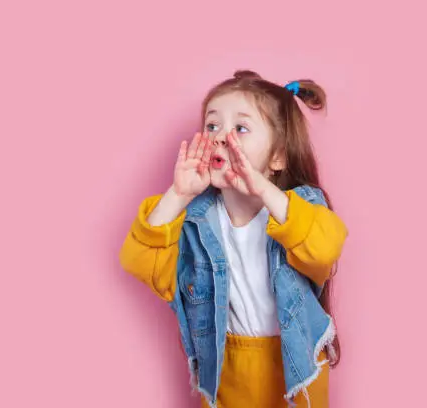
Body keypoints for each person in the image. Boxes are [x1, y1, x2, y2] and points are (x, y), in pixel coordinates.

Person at [119, 70, 348, 407]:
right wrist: (179, 195)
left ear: (277, 157)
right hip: (227, 366)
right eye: (212, 126)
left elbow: (326, 249)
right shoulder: (195, 220)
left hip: (295, 367)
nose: (221, 136)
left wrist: (264, 190)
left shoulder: (299, 208)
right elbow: (139, 262)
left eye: (240, 128)